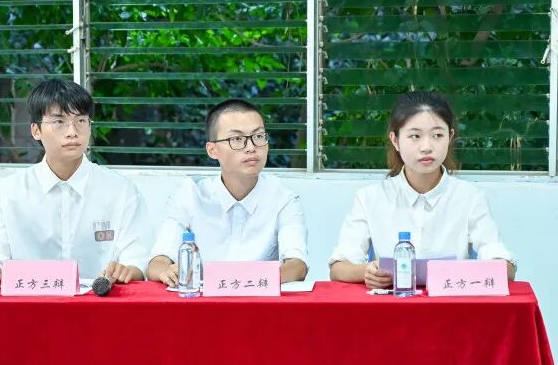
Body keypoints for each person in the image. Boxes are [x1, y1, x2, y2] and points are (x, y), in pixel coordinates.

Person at [328, 91, 516, 289]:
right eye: (415, 136)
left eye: (437, 135)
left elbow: (505, 266)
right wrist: (367, 271)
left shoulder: (470, 197)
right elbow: (338, 267)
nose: (426, 147)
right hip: (392, 303)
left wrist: (465, 271)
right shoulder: (370, 197)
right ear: (395, 140)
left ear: (450, 136)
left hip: (450, 304)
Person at [0, 79, 150, 282]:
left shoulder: (121, 191)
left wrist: (127, 271)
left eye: (81, 121)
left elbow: (137, 262)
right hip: (28, 299)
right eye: (59, 122)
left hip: (100, 299)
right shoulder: (8, 194)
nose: (72, 132)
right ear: (36, 130)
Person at [146, 98, 308, 286]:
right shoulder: (189, 194)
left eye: (258, 136)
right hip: (202, 301)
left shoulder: (283, 198)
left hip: (260, 301)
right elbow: (157, 263)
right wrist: (167, 271)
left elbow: (297, 267)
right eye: (237, 139)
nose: (251, 147)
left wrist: (235, 283)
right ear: (212, 150)